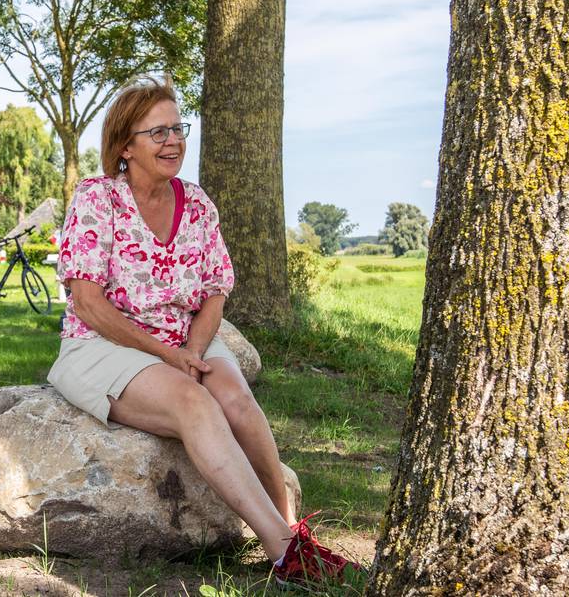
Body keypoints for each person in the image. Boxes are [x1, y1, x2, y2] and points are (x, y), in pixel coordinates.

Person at [47, 78, 357, 585]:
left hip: (184, 338)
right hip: (104, 343)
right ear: (125, 146)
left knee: (234, 397)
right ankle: (288, 558)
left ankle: (293, 530)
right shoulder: (96, 199)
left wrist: (192, 349)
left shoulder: (196, 203)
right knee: (196, 404)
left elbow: (215, 289)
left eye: (177, 128)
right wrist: (171, 360)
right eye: (158, 132)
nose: (173, 141)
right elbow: (88, 302)